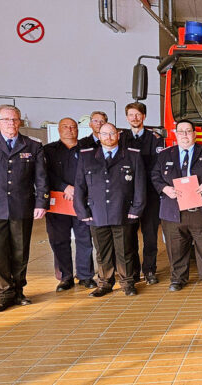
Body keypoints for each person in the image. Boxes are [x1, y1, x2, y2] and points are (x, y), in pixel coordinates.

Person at [0, 105, 49, 312]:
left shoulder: (32, 145)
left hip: (21, 205)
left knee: (20, 251)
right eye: (6, 120)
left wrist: (41, 203)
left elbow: (41, 178)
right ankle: (4, 294)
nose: (11, 124)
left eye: (15, 120)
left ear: (20, 122)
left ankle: (18, 291)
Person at [74, 123, 146, 297]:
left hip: (123, 212)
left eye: (112, 133)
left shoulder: (132, 156)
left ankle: (127, 283)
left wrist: (136, 209)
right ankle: (105, 283)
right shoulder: (87, 157)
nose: (108, 137)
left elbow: (140, 186)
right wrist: (83, 212)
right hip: (96, 213)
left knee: (125, 250)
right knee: (102, 251)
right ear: (98, 135)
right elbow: (80, 186)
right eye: (104, 134)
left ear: (118, 135)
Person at [152, 120, 202, 292]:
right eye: (181, 131)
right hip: (173, 209)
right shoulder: (164, 155)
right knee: (176, 247)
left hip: (201, 209)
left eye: (188, 131)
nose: (184, 135)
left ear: (194, 134)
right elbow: (154, 176)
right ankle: (177, 279)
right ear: (175, 133)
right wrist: (164, 188)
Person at [44, 117, 96, 292]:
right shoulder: (48, 150)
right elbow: (43, 174)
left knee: (84, 239)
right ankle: (65, 277)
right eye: (65, 126)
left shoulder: (88, 150)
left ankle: (85, 276)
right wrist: (64, 187)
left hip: (82, 201)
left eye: (73, 127)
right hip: (58, 202)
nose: (70, 129)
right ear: (59, 129)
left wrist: (80, 190)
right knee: (59, 240)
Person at [121, 102, 164, 285]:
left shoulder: (155, 139)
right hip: (127, 195)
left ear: (144, 117)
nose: (134, 118)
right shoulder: (120, 138)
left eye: (138, 114)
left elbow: (158, 166)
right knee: (127, 235)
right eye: (131, 115)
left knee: (150, 235)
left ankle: (149, 270)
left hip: (150, 194)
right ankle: (131, 271)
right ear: (127, 117)